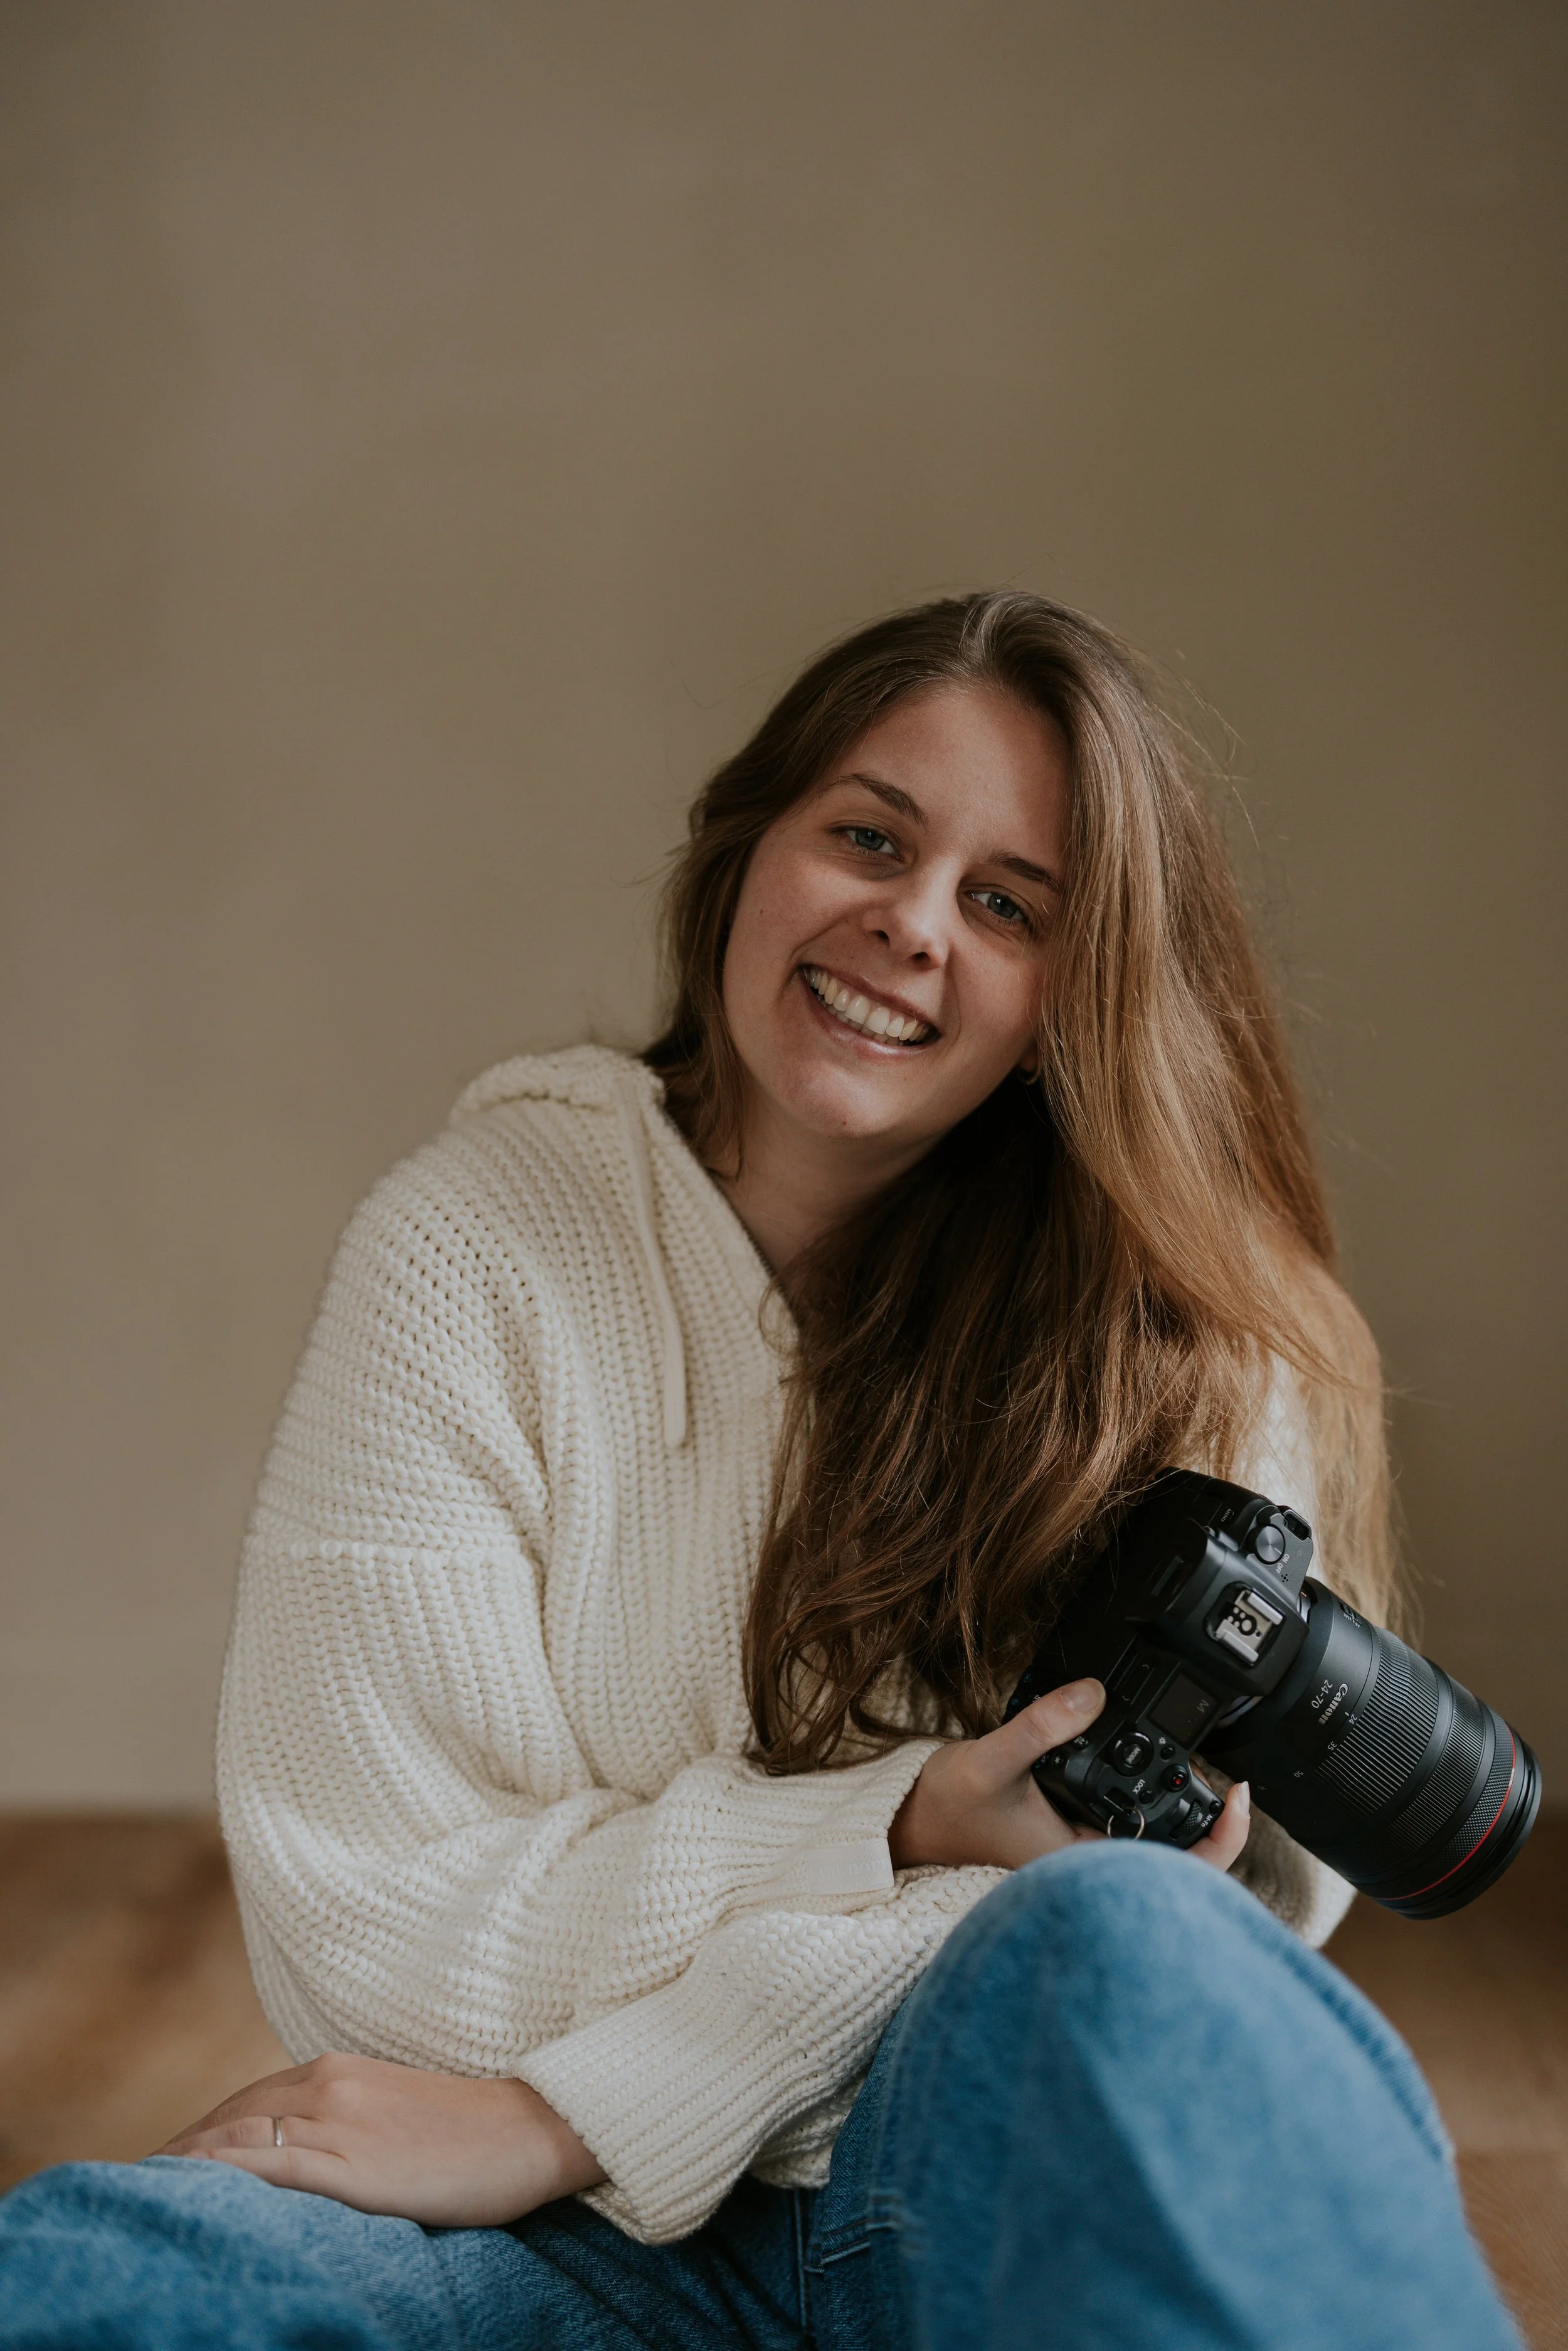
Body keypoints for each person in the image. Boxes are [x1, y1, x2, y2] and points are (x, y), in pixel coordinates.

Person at [0, 594, 1518, 2348]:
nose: (908, 922)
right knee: (107, 2271)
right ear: (745, 850)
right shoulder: (468, 1252)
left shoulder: (1176, 1332)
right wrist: (897, 1828)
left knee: (1117, 1943)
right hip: (540, 2238)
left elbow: (1164, 1926)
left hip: (968, 2191)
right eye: (867, 836)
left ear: (1070, 995)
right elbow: (374, 1932)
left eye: (1006, 902)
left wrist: (576, 2103)